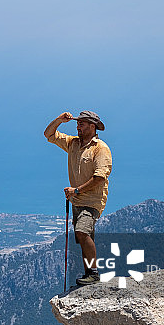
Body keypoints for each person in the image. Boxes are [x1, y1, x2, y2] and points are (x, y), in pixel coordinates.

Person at [44, 111, 112, 285]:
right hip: (78, 200)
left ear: (92, 126)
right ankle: (89, 273)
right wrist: (59, 120)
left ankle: (94, 273)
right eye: (78, 123)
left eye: (82, 123)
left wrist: (76, 190)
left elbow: (100, 177)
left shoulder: (100, 148)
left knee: (82, 232)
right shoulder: (73, 143)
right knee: (83, 236)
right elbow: (49, 134)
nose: (78, 126)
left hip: (92, 201)